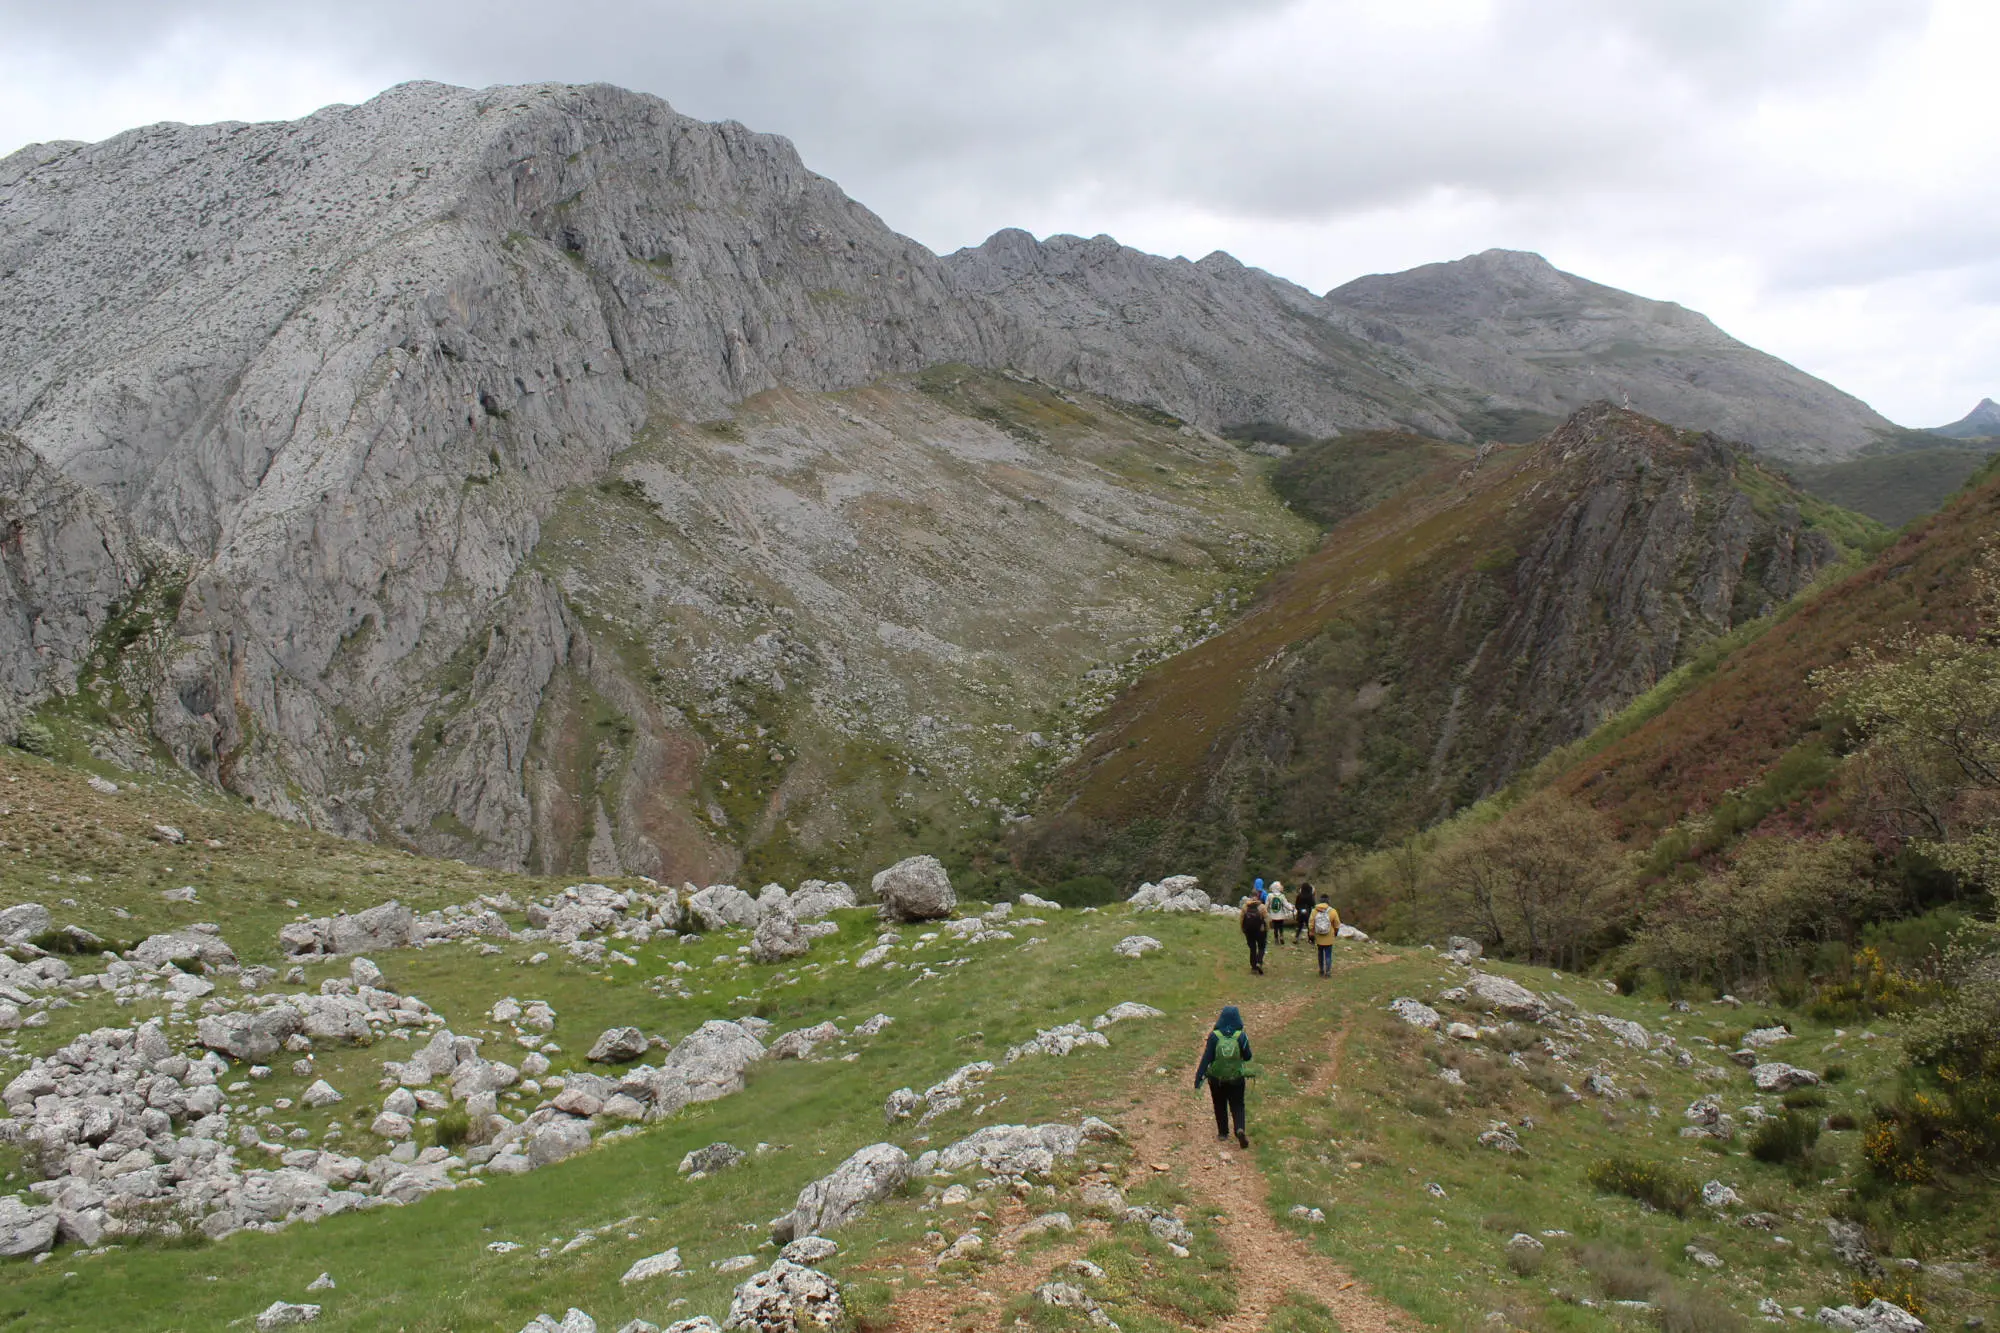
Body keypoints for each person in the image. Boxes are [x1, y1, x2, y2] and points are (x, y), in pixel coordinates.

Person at [1194, 1004, 1254, 1147]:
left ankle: (1223, 1133)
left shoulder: (1214, 1036)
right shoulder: (1241, 1036)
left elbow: (1207, 1058)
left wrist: (1198, 1078)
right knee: (1238, 1104)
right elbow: (1248, 1056)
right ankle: (1239, 1128)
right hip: (1236, 1078)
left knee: (1219, 1103)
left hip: (1216, 1078)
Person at [1307, 895, 1341, 977]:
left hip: (1318, 936)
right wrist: (1335, 932)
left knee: (1320, 954)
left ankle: (1321, 970)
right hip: (1329, 936)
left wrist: (1311, 932)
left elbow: (1311, 924)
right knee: (1328, 955)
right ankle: (1328, 972)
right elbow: (1337, 924)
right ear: (1328, 901)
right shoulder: (1332, 911)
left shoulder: (1314, 911)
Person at [1239, 894, 1268, 974]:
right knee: (1262, 947)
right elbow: (1267, 918)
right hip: (1260, 931)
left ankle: (1253, 968)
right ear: (1258, 898)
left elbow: (1241, 918)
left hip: (1249, 930)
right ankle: (1259, 962)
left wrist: (1242, 928)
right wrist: (1266, 929)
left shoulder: (1245, 907)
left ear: (1250, 898)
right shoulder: (1262, 907)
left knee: (1252, 948)